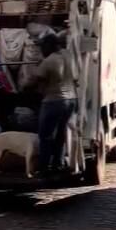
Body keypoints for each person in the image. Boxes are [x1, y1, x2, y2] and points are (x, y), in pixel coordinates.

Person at [24, 32, 77, 176]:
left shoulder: (49, 61)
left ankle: (44, 167)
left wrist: (25, 85)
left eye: (43, 47)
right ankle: (57, 164)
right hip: (70, 100)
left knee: (45, 136)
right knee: (60, 134)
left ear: (49, 46)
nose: (41, 50)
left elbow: (33, 81)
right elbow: (76, 79)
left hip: (54, 101)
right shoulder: (68, 56)